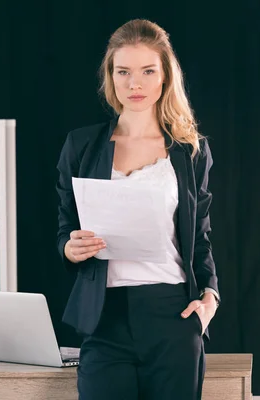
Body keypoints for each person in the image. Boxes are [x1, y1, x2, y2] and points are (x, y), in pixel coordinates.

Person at [55, 19, 220, 400]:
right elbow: (65, 228)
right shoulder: (81, 146)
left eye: (148, 71)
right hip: (104, 317)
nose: (135, 84)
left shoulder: (189, 150)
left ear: (164, 77)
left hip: (173, 315)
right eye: (123, 72)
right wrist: (69, 247)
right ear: (110, 78)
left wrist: (210, 296)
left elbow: (200, 237)